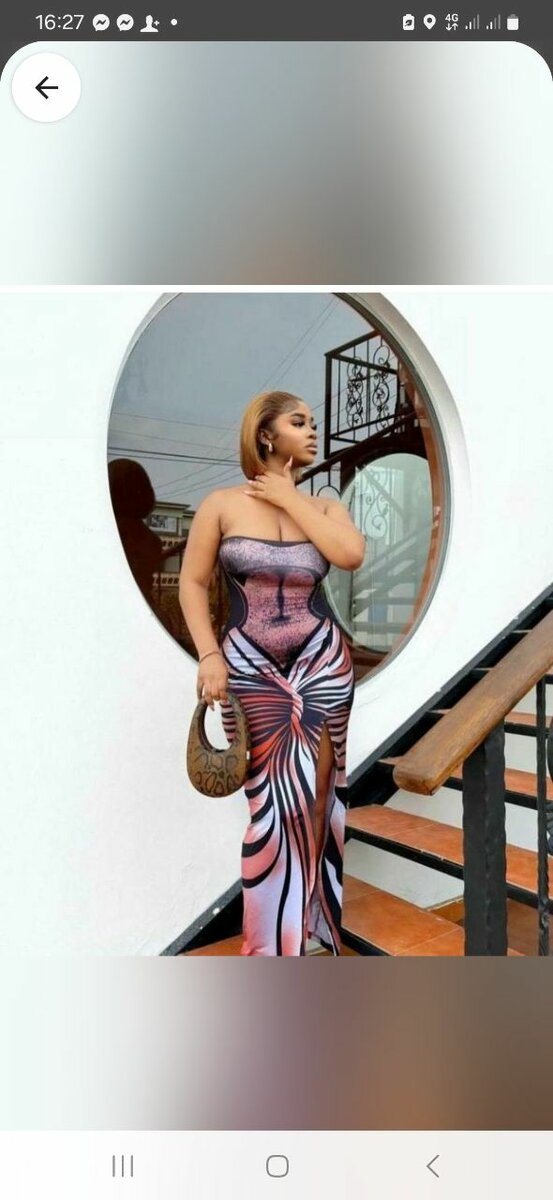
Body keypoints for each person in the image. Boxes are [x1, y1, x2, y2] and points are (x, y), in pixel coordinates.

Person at [179, 390, 366, 955]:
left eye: (313, 423)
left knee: (319, 797)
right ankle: (270, 946)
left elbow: (350, 554)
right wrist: (209, 656)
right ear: (266, 434)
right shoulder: (221, 505)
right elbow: (192, 584)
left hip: (321, 664)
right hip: (249, 667)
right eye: (298, 422)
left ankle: (312, 926)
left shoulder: (324, 509)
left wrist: (290, 497)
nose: (313, 431)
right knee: (271, 803)